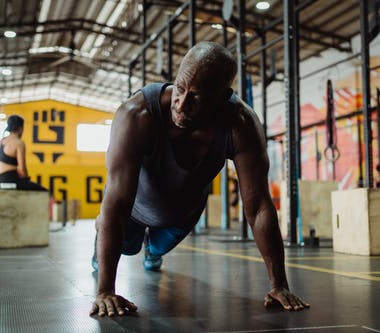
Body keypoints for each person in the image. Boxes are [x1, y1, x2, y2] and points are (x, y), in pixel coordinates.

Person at [90, 41, 310, 317]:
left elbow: (259, 207)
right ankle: (100, 251)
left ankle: (153, 252)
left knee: (156, 249)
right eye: (180, 89)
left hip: (181, 215)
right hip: (132, 210)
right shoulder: (137, 115)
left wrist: (279, 284)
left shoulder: (240, 125)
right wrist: (105, 290)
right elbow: (117, 201)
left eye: (196, 97)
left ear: (222, 96)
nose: (181, 105)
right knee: (127, 247)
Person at [0, 115, 47, 191]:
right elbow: (22, 169)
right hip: (9, 181)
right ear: (20, 129)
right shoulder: (18, 143)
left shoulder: (1, 141)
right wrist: (26, 180)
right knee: (43, 190)